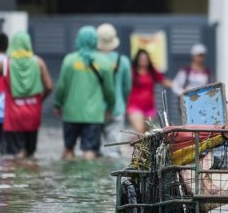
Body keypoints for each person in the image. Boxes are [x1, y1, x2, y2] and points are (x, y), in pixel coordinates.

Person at [0, 31, 54, 158]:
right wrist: (40, 99)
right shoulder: (38, 62)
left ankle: (18, 176)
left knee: (17, 154)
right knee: (30, 153)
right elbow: (49, 86)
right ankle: (30, 176)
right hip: (33, 114)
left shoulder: (5, 64)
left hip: (14, 117)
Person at [55, 26, 115, 160]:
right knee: (89, 151)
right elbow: (109, 90)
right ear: (95, 41)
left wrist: (58, 104)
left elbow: (61, 87)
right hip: (94, 115)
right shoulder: (104, 62)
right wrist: (110, 108)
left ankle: (68, 178)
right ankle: (88, 178)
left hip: (71, 114)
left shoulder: (69, 60)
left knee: (68, 148)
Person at [96, 23, 132, 149]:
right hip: (117, 108)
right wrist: (123, 103)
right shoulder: (123, 61)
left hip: (95, 110)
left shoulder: (93, 60)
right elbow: (127, 87)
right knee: (113, 147)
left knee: (95, 149)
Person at [126, 49, 171, 134]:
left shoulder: (151, 71)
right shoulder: (132, 72)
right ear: (137, 60)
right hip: (135, 107)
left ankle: (134, 145)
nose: (143, 61)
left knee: (146, 135)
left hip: (149, 108)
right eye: (141, 59)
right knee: (139, 131)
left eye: (145, 59)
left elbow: (164, 81)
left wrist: (179, 87)